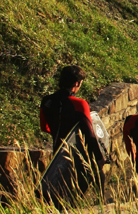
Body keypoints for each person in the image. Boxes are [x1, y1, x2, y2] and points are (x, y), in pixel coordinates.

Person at [39, 65, 106, 205]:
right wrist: (99, 157)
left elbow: (44, 127)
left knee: (60, 187)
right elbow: (90, 134)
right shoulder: (79, 104)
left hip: (57, 151)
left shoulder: (47, 101)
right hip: (78, 154)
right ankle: (99, 205)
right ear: (77, 83)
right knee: (96, 177)